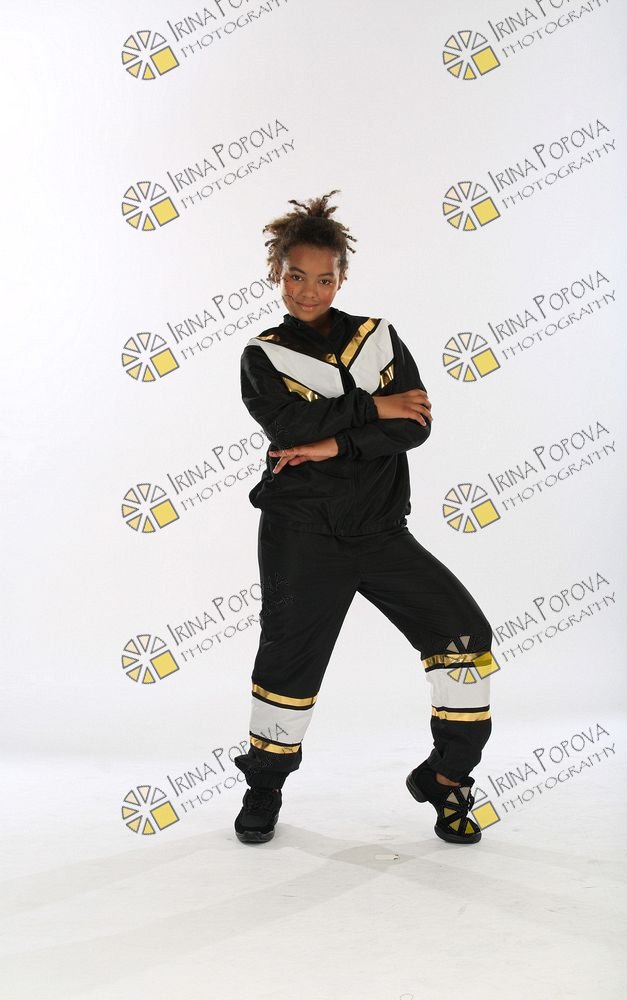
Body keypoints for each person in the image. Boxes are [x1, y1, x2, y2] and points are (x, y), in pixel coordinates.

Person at [233, 190, 495, 846]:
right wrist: (373, 407)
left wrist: (332, 444)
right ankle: (264, 785)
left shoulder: (377, 336)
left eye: (324, 279)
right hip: (301, 536)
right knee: (289, 663)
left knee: (464, 636)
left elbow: (416, 426)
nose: (309, 291)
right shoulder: (263, 355)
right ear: (277, 273)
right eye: (296, 276)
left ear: (341, 277)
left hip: (381, 533)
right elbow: (289, 425)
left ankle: (446, 778)